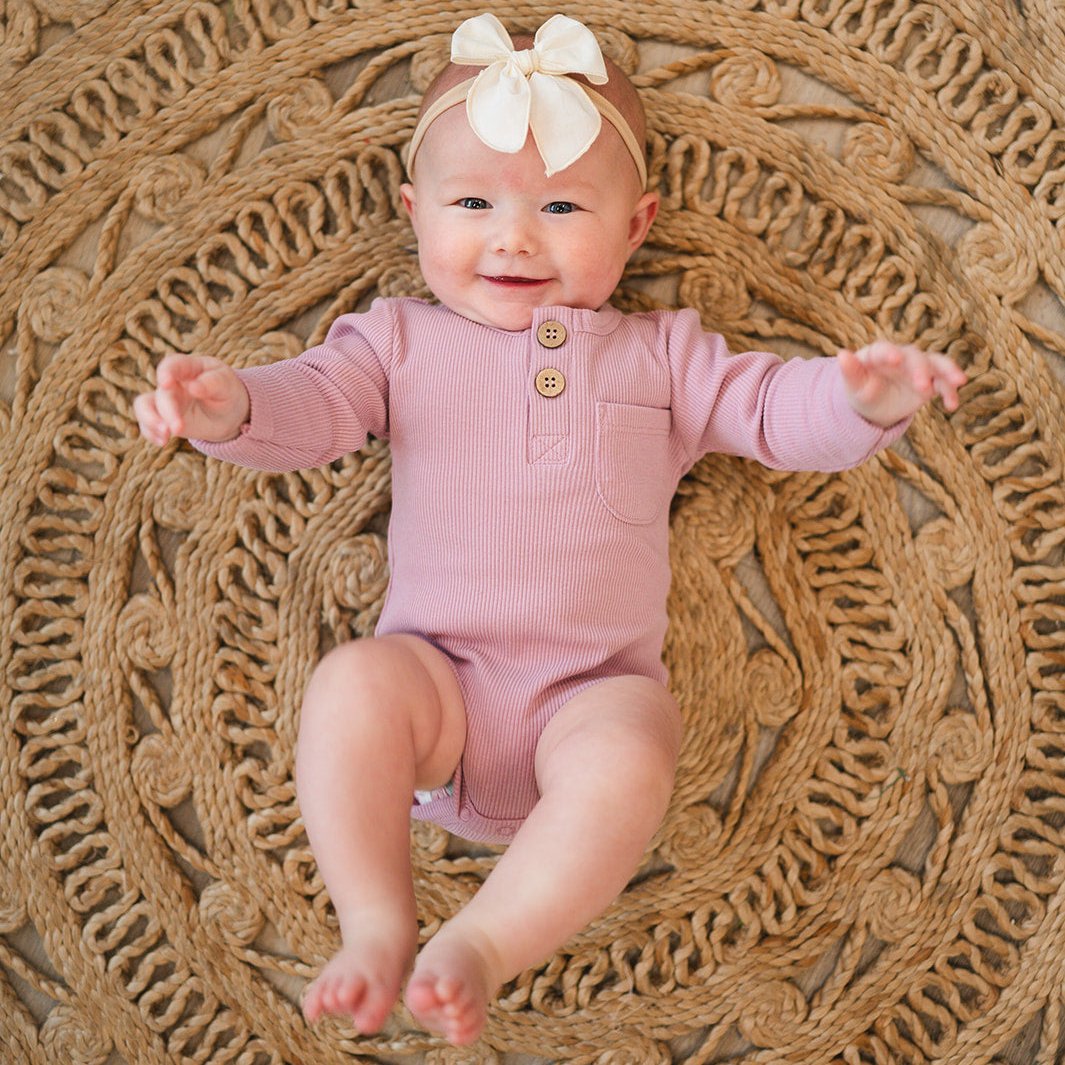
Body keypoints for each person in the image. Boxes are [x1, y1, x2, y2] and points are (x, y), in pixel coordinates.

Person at [134, 13, 967, 1046]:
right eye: (473, 203)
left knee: (635, 748)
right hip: (438, 687)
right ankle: (376, 924)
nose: (514, 236)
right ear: (414, 213)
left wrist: (862, 400)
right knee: (352, 681)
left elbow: (771, 411)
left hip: (589, 696)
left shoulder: (661, 357)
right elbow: (311, 404)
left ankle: (482, 944)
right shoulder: (397, 341)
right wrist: (226, 408)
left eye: (562, 206)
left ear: (635, 226)